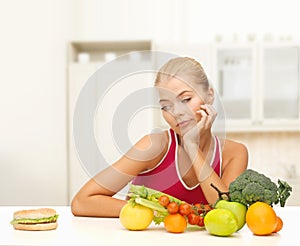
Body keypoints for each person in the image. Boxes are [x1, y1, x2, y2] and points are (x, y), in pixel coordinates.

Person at [71, 57, 248, 217]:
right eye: (166, 106)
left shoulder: (234, 154)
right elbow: (82, 201)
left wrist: (192, 147)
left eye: (186, 99)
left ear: (209, 95)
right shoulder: (153, 146)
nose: (177, 112)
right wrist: (156, 211)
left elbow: (227, 213)